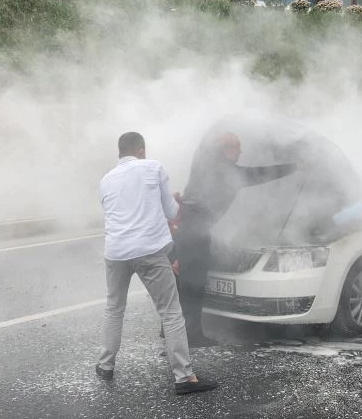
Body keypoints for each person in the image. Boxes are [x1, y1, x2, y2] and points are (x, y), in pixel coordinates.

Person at [97, 131, 218, 395]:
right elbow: (172, 213)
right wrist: (174, 201)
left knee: (114, 308)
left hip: (115, 252)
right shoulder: (153, 168)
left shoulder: (106, 180)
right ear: (141, 149)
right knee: (171, 311)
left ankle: (105, 365)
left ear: (121, 152)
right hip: (149, 250)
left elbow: (117, 213)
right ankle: (184, 377)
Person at [175, 131, 298, 347]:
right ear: (226, 150)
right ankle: (192, 335)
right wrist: (295, 167)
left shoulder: (202, 164)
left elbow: (202, 150)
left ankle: (171, 331)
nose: (241, 152)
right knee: (194, 284)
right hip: (195, 232)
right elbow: (260, 174)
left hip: (186, 228)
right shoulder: (226, 170)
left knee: (183, 282)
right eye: (237, 148)